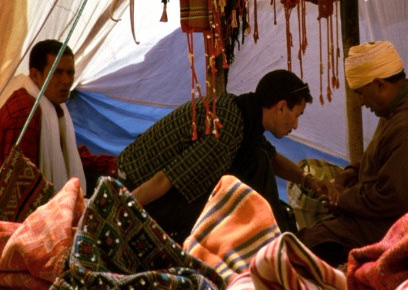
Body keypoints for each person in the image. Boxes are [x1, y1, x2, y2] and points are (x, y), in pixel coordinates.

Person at [299, 41, 408, 266]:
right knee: (308, 240)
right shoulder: (403, 106)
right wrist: (352, 173)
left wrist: (341, 200)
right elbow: (386, 160)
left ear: (379, 85)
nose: (360, 102)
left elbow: (393, 198)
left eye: (361, 93)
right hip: (396, 217)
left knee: (305, 248)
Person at [117, 69, 324, 242]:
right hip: (138, 187)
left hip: (147, 186)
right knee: (248, 176)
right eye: (296, 116)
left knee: (258, 161)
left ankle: (275, 236)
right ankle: (276, 241)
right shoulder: (228, 128)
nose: (296, 125)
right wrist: (119, 208)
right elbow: (166, 178)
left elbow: (273, 158)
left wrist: (308, 180)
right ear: (281, 107)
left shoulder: (244, 115)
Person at [0, 39, 117, 195]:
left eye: (70, 73)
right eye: (57, 72)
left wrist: (112, 164)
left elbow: (65, 154)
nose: (67, 81)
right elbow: (15, 185)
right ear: (35, 75)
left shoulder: (51, 105)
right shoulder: (25, 114)